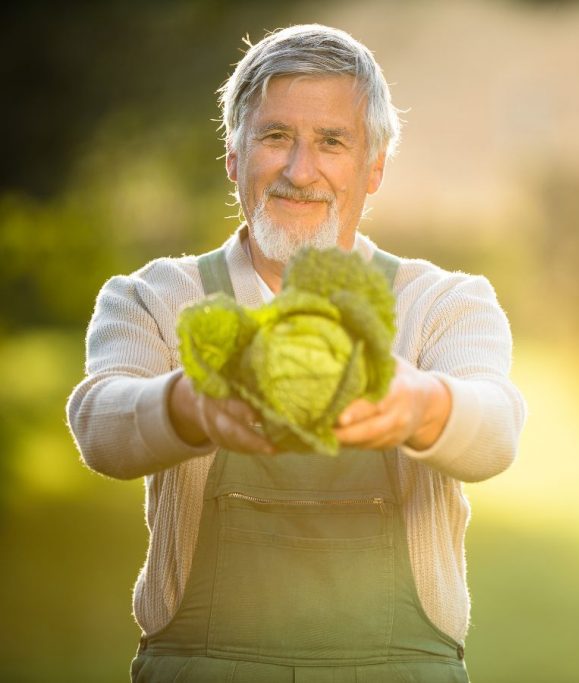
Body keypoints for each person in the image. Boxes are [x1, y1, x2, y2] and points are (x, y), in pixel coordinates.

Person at [66, 23, 525, 683]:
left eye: (332, 142)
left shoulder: (444, 303)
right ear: (233, 155)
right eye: (275, 136)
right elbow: (101, 423)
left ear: (375, 166)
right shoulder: (154, 297)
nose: (299, 170)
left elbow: (497, 427)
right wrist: (190, 405)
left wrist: (419, 404)